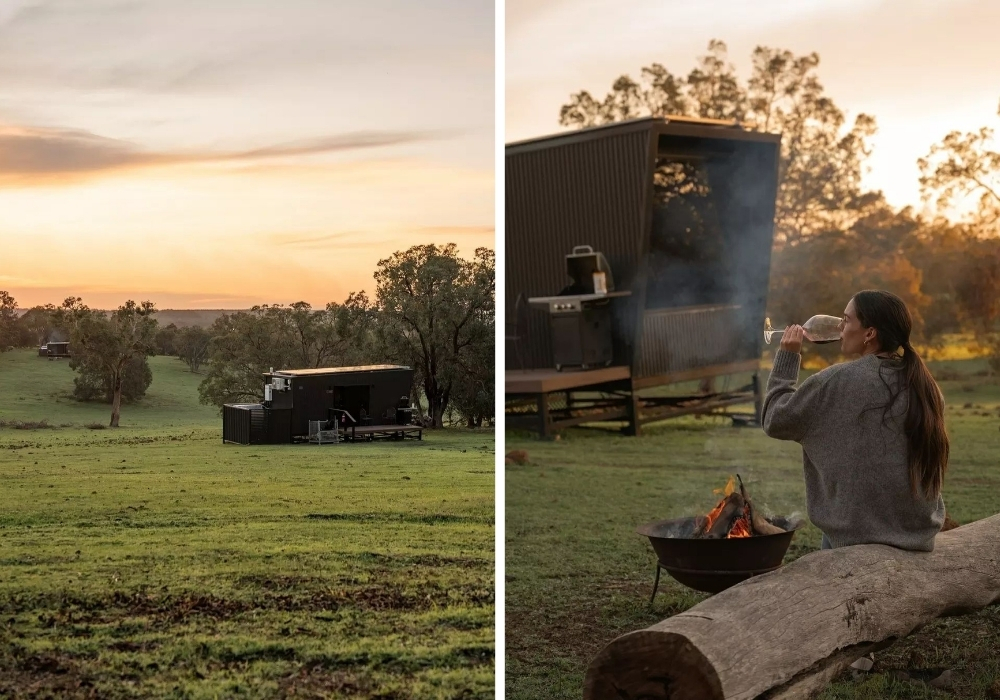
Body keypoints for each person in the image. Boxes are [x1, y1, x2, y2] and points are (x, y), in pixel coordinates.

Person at [761, 290, 949, 552]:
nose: (840, 327)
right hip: (916, 537)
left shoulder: (835, 381)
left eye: (847, 320)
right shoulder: (927, 388)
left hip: (853, 540)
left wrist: (788, 358)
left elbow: (774, 419)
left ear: (870, 333)